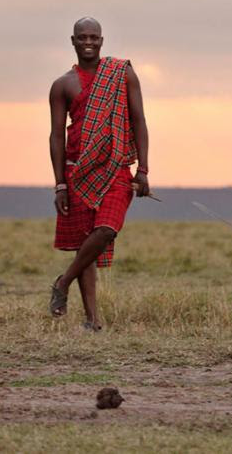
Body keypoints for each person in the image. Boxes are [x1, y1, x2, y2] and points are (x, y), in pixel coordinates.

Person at [47, 17, 150, 331]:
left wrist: (143, 169)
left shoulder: (122, 74)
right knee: (84, 246)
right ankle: (92, 321)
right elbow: (56, 136)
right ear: (73, 41)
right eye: (82, 37)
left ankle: (62, 282)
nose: (88, 42)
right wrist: (59, 184)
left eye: (94, 37)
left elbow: (139, 121)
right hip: (78, 172)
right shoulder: (62, 84)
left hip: (117, 169)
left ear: (102, 41)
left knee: (105, 230)